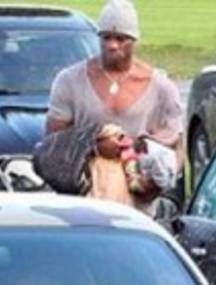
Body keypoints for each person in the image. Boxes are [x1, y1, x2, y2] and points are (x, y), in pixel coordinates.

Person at [45, 0, 184, 209]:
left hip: (137, 211)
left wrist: (155, 184)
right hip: (83, 205)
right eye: (106, 37)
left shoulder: (161, 88)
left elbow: (176, 146)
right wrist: (93, 146)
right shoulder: (70, 81)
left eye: (121, 39)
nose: (112, 45)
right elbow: (53, 142)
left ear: (134, 40)